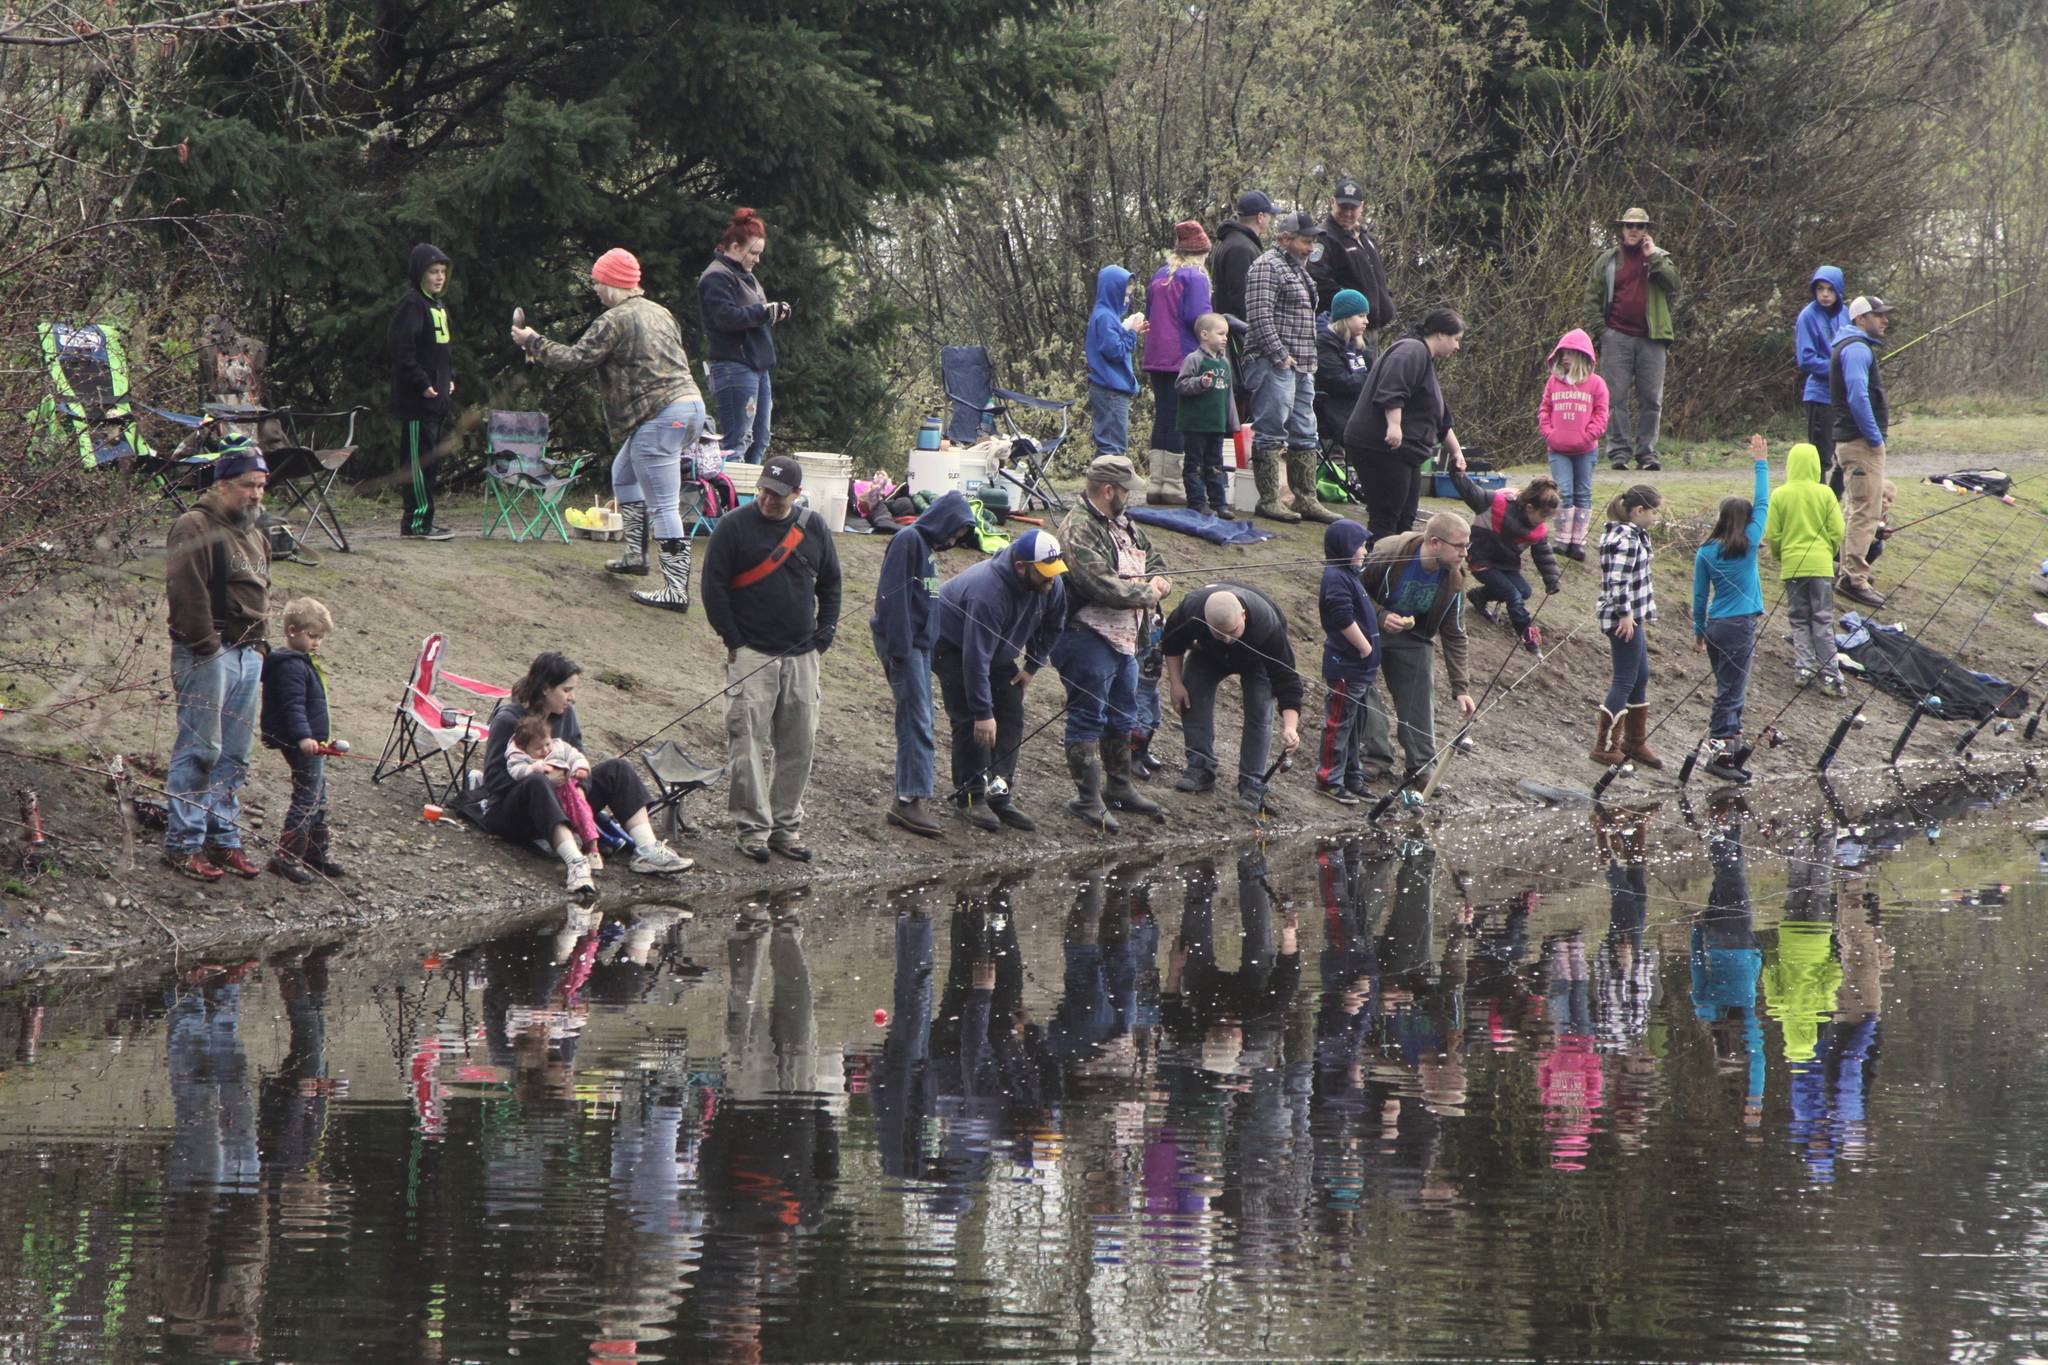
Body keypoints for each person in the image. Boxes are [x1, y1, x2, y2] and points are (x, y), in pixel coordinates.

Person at [511, 248, 707, 610]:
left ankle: (676, 590)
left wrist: (533, 342)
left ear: (614, 283)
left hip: (660, 415)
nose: (596, 289)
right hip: (690, 407)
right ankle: (635, 556)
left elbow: (575, 359)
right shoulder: (660, 313)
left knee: (664, 504)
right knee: (624, 473)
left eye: (599, 282)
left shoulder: (615, 319)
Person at [701, 453, 843, 862]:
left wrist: (825, 632)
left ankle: (786, 829)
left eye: (779, 495)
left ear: (797, 495)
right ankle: (752, 830)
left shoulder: (813, 527)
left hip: (802, 654)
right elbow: (713, 588)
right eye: (764, 490)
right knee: (746, 742)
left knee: (800, 743)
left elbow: (831, 583)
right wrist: (734, 639)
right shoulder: (733, 527)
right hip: (750, 653)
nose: (768, 500)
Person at [477, 652, 694, 893]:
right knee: (538, 782)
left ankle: (647, 850)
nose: (572, 698)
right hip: (513, 814)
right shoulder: (508, 719)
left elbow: (580, 759)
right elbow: (493, 780)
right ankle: (576, 862)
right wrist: (545, 780)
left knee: (617, 768)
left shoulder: (566, 714)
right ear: (546, 688)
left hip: (566, 802)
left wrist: (580, 787)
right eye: (567, 690)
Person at [163, 445, 272, 882]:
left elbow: (262, 591)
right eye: (248, 485)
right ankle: (182, 844)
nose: (256, 495)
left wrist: (260, 648)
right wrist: (207, 646)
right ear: (222, 484)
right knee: (200, 751)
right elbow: (186, 595)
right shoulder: (195, 526)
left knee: (236, 755)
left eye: (261, 486)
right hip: (209, 652)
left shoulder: (255, 532)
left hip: (248, 653)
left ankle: (223, 839)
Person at [1053, 455, 1172, 831]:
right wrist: (1148, 593)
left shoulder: (1125, 524)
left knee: (1123, 713)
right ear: (1108, 491)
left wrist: (1160, 580)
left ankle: (1118, 787)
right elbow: (1100, 585)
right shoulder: (1078, 530)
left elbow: (1155, 559)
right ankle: (1086, 799)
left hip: (1126, 639)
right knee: (1088, 716)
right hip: (1086, 636)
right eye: (1125, 490)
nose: (1130, 497)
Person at [934, 529, 1068, 833]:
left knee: (1010, 714)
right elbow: (974, 658)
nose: (1052, 579)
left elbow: (1054, 624)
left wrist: (1032, 666)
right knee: (971, 720)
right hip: (951, 645)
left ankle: (999, 794)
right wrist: (983, 713)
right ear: (1021, 566)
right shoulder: (988, 592)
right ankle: (971, 797)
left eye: (1054, 572)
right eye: (1045, 573)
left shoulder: (1052, 582)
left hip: (995, 652)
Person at [870, 490, 978, 838]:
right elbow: (893, 598)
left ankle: (913, 795)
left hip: (920, 647)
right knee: (917, 721)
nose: (954, 540)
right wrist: (901, 651)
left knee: (923, 718)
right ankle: (908, 800)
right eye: (956, 531)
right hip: (905, 647)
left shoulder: (925, 548)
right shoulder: (908, 541)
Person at [1358, 511, 1476, 792]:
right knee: (1361, 685)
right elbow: (1353, 592)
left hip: (1414, 635)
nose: (1465, 553)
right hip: (1367, 629)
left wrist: (1461, 688)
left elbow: (1455, 634)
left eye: (1467, 546)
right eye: (1459, 546)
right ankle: (1374, 754)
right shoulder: (1389, 555)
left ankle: (1421, 766)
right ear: (1435, 542)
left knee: (1420, 692)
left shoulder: (1454, 578)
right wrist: (1381, 615)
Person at [1161, 584, 1304, 810]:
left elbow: (1287, 679)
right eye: (1220, 633)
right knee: (1192, 693)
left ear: (1243, 616)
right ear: (1206, 623)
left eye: (1233, 631)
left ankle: (1251, 784)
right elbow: (1171, 644)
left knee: (1259, 708)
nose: (1227, 639)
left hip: (1256, 660)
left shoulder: (1268, 625)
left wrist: (1290, 727)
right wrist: (1176, 684)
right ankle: (1200, 768)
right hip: (1208, 653)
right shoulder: (1191, 610)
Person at [1343, 307, 1469, 542]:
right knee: (1386, 516)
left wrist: (1455, 451)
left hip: (1406, 453)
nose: (1457, 346)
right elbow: (1392, 387)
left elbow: (1439, 415)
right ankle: (1375, 572)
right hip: (1381, 447)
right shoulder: (1411, 350)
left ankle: (1396, 573)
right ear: (1441, 334)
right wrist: (1394, 424)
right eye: (1456, 339)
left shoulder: (1426, 361)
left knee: (1405, 518)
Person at [1243, 210, 1335, 524]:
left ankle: (1305, 499)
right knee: (1270, 430)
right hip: (1273, 363)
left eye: (1313, 242)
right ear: (1285, 239)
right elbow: (1258, 315)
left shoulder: (1299, 271)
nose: (1311, 248)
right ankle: (1269, 500)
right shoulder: (1266, 266)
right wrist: (1279, 355)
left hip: (1302, 365)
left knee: (1306, 431)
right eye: (1306, 241)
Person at [1691, 436, 1773, 783]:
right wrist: (1761, 462)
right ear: (1745, 522)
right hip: (1739, 627)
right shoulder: (1750, 543)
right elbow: (1764, 501)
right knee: (1731, 692)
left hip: (1715, 626)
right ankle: (1720, 757)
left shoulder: (1705, 551)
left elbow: (1698, 597)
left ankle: (1731, 754)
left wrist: (1698, 631)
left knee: (1729, 688)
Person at [1584, 207, 1681, 472]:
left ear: (1646, 230)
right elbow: (1591, 298)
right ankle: (1618, 453)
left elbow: (1674, 285)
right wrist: (1601, 331)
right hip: (1616, 336)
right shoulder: (1608, 260)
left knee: (1652, 398)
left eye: (1639, 226)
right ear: (1622, 229)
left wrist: (1654, 259)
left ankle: (1647, 453)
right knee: (1615, 398)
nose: (1634, 230)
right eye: (1629, 226)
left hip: (1653, 338)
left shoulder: (1660, 258)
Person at [258, 596, 345, 885]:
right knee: (307, 798)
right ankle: (285, 857)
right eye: (312, 636)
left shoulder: (303, 661)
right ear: (293, 630)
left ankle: (314, 852)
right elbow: (293, 706)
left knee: (318, 794)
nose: (317, 642)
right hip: (302, 743)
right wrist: (304, 737)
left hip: (315, 742)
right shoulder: (290, 666)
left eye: (320, 637)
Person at [697, 207, 787, 466]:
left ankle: (751, 501)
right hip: (733, 367)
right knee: (737, 440)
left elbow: (753, 314)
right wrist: (762, 312)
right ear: (735, 247)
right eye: (754, 253)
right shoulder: (715, 277)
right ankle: (730, 503)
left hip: (758, 366)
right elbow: (724, 318)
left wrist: (774, 313)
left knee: (760, 439)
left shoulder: (746, 276)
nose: (757, 260)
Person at [385, 242, 458, 541]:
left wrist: (449, 377)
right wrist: (421, 382)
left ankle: (426, 520)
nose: (439, 277)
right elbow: (402, 350)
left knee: (430, 464)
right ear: (420, 273)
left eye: (442, 271)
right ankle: (415, 524)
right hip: (418, 402)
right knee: (416, 464)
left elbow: (444, 352)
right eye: (433, 271)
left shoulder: (438, 306)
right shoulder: (412, 305)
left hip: (437, 403)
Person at [1763, 440, 1847, 696]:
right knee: (1822, 619)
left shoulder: (1780, 494)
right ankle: (1831, 676)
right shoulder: (1825, 493)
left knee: (1799, 618)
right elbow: (1838, 531)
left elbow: (1773, 535)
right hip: (1821, 567)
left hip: (1792, 567)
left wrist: (1782, 556)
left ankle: (1804, 668)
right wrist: (1828, 552)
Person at [1448, 467, 1563, 653]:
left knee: (1524, 591)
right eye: (1543, 516)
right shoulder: (1495, 502)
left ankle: (1479, 596)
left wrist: (1552, 579)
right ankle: (1527, 638)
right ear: (1529, 507)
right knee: (1513, 597)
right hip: (1482, 560)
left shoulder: (1538, 530)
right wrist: (1457, 471)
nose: (1544, 522)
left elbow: (1544, 556)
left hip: (1506, 564)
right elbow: (1470, 491)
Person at [1591, 484, 1665, 769]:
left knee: (1641, 674)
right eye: (1654, 512)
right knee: (1625, 678)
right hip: (1624, 618)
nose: (1657, 517)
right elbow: (1617, 580)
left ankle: (1634, 741)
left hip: (1634, 616)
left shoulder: (1636, 534)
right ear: (1639, 511)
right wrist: (1624, 614)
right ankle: (1606, 746)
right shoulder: (1626, 540)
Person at [1140, 222, 1214, 506]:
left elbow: (1151, 314)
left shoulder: (1161, 275)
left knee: (1163, 417)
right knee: (1180, 419)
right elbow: (1199, 319)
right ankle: (1172, 484)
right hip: (1182, 356)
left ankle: (1156, 483)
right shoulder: (1196, 276)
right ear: (1201, 251)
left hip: (1157, 356)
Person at [1830, 294, 1896, 608]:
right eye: (1879, 315)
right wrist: (1874, 438)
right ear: (1861, 319)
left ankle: (1847, 570)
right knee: (1865, 511)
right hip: (1860, 443)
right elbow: (1858, 396)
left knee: (1855, 508)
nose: (1885, 320)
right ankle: (1852, 578)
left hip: (1853, 442)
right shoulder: (1857, 349)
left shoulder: (1852, 346)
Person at [1316, 520, 1380, 804]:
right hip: (1347, 666)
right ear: (1345, 548)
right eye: (1361, 546)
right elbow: (1342, 617)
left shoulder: (1350, 575)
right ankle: (1329, 779)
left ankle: (1353, 777)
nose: (1365, 552)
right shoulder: (1335, 577)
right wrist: (1365, 648)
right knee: (1339, 724)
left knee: (1357, 726)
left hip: (1362, 671)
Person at [1538, 328, 1610, 562]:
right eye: (1562, 354)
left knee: (1583, 492)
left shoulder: (1596, 384)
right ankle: (1561, 539)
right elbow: (1544, 410)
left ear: (1581, 355)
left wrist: (1589, 435)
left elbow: (1601, 413)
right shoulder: (1553, 383)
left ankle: (1577, 542)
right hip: (1558, 450)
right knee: (1564, 491)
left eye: (1569, 353)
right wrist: (1550, 434)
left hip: (1585, 450)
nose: (1564, 358)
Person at [1307, 176, 1397, 341]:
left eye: (1352, 208)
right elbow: (1318, 280)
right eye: (1343, 207)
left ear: (1362, 207)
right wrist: (1352, 307)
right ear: (1332, 202)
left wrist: (1386, 299)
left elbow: (1376, 278)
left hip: (1370, 328)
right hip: (1344, 330)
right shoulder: (1323, 237)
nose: (1347, 213)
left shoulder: (1365, 238)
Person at [1208, 190, 1274, 413]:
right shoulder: (1241, 248)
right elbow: (1242, 297)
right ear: (1260, 217)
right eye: (1269, 215)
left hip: (1235, 332)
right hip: (1238, 337)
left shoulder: (1238, 243)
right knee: (1244, 397)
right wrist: (1252, 332)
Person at [508, 713, 601, 863]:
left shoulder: (559, 747)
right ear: (525, 748)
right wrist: (536, 768)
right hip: (546, 798)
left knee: (583, 815)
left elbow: (575, 755)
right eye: (538, 748)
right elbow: (515, 771)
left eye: (547, 744)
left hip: (569, 794)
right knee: (555, 816)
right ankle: (567, 846)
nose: (545, 750)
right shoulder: (520, 757)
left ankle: (592, 848)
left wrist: (580, 767)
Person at [1173, 312, 1238, 518]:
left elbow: (1228, 396)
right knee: (1195, 464)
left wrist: (1232, 422)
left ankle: (1219, 503)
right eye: (1220, 333)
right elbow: (1181, 385)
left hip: (1216, 425)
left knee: (1216, 465)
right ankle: (1197, 502)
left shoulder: (1224, 363)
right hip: (1195, 424)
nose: (1225, 338)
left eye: (1226, 334)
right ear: (1204, 335)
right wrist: (1200, 383)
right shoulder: (1193, 359)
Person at [1084, 265, 1147, 459]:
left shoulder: (1107, 316)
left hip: (1110, 388)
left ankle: (1098, 488)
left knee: (1111, 446)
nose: (1127, 300)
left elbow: (1111, 343)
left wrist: (1128, 330)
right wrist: (1131, 334)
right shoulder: (1105, 317)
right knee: (1112, 448)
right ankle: (1104, 488)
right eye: (1125, 295)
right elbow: (1114, 351)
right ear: (1112, 291)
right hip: (1109, 389)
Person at [1795, 266, 1848, 486]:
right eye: (1820, 289)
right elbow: (1806, 359)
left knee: (1846, 454)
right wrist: (1837, 369)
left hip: (1843, 396)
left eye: (1830, 289)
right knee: (1820, 458)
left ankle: (1834, 503)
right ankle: (1817, 502)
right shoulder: (1807, 316)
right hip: (1820, 396)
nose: (1825, 294)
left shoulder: (1845, 313)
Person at [1314, 289, 1372, 447]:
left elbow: (1375, 374)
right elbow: (1339, 381)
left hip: (1359, 406)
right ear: (1345, 317)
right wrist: (1369, 380)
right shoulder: (1324, 343)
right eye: (1361, 316)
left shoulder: (1361, 343)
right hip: (1335, 410)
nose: (1366, 321)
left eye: (1366, 315)